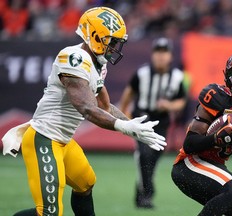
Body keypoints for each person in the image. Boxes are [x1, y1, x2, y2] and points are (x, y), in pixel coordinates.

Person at [1, 7, 166, 216]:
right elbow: (87, 108)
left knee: (85, 183)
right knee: (49, 212)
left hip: (63, 140)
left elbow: (105, 106)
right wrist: (125, 127)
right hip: (45, 138)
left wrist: (134, 126)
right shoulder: (73, 57)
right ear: (95, 36)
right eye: (112, 41)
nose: (115, 46)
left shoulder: (97, 64)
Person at [171, 50, 232, 216]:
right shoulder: (218, 97)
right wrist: (217, 138)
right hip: (189, 165)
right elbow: (189, 145)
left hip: (216, 167)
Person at [119, 37, 187, 209]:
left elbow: (181, 100)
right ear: (153, 55)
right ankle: (148, 193)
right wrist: (123, 115)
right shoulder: (142, 73)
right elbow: (129, 93)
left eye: (164, 53)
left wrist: (169, 105)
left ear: (170, 56)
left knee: (154, 157)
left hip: (162, 121)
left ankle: (141, 191)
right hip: (142, 116)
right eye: (158, 52)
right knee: (144, 154)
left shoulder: (177, 76)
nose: (161, 57)